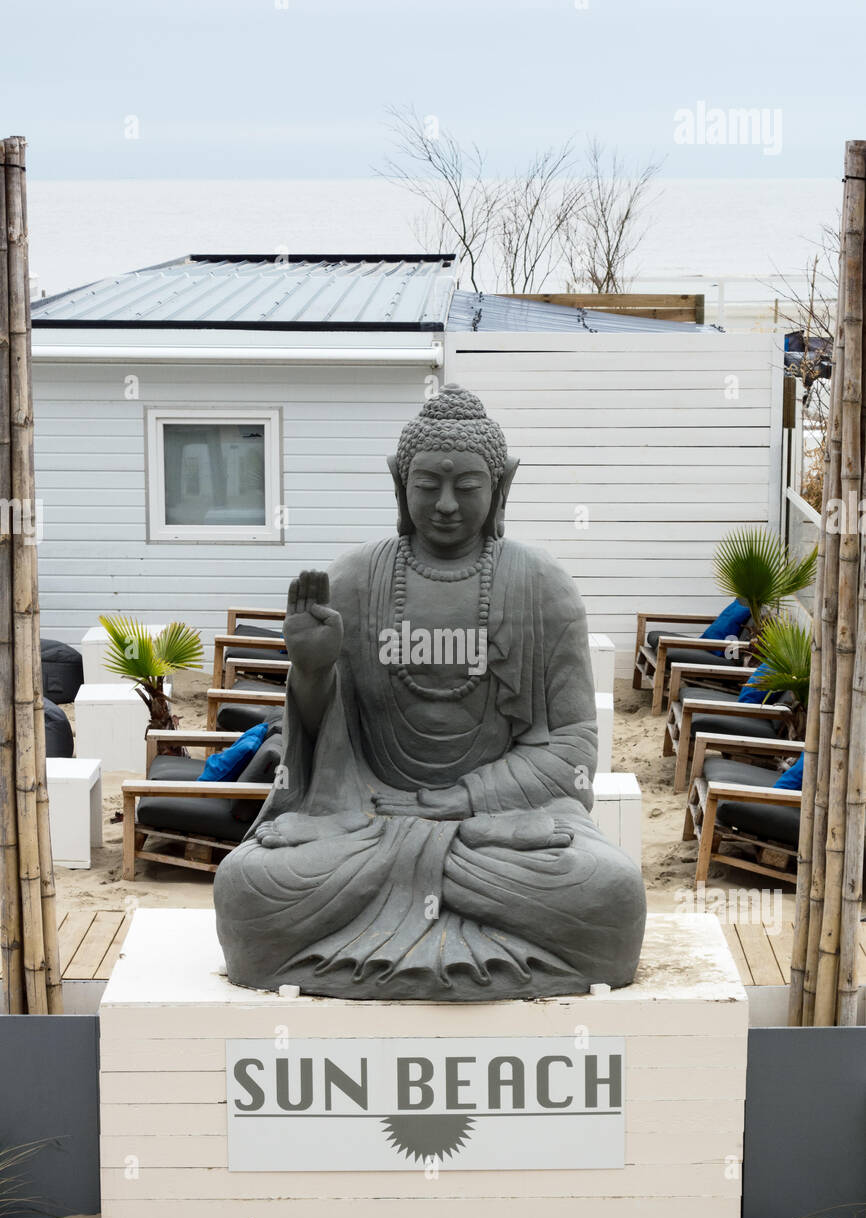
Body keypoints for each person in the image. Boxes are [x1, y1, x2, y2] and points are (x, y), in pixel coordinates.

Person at [214, 385, 646, 1000]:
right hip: (367, 820)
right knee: (246, 888)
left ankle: (388, 923)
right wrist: (311, 672)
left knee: (612, 893)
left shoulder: (543, 586)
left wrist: (465, 799)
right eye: (427, 486)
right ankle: (474, 927)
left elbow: (574, 752)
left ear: (502, 487)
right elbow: (312, 746)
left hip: (495, 828)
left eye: (468, 488)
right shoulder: (353, 581)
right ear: (399, 482)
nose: (446, 506)